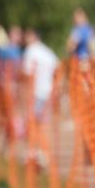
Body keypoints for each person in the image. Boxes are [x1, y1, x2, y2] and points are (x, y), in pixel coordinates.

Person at [22, 28, 60, 164]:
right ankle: (44, 155)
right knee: (43, 125)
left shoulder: (31, 51)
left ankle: (32, 154)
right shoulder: (47, 52)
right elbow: (58, 68)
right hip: (48, 93)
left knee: (33, 124)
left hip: (36, 93)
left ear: (33, 37)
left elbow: (26, 74)